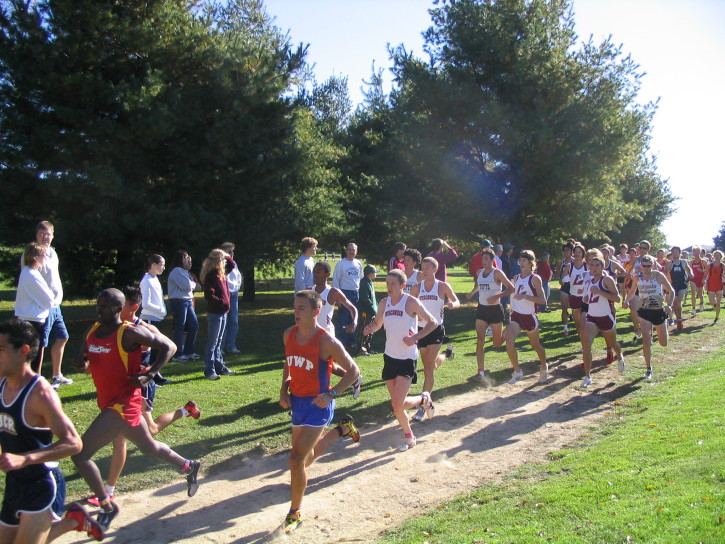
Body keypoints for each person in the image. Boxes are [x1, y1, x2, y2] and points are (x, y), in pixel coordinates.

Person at [71, 289, 202, 534]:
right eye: (98, 304)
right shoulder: (92, 331)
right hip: (107, 400)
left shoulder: (129, 332)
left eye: (106, 306)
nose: (100, 309)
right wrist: (82, 364)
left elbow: (168, 347)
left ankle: (107, 505)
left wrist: (150, 373)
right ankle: (188, 466)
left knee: (80, 454)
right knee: (149, 446)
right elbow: (87, 361)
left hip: (123, 404)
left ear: (119, 309)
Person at [0, 319, 105, 542]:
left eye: (0, 349)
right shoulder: (2, 383)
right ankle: (75, 520)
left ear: (23, 351)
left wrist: (25, 458)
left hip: (42, 483)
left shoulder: (41, 394)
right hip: (15, 483)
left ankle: (73, 521)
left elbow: (74, 443)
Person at [279, 290, 361, 533]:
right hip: (298, 402)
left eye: (302, 308)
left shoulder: (327, 341)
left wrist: (331, 394)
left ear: (316, 312)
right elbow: (288, 362)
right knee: (306, 457)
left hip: (319, 405)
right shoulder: (288, 335)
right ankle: (343, 429)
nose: (296, 312)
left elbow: (354, 371)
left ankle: (294, 513)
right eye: (295, 307)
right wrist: (283, 390)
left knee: (296, 460)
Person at [362, 270, 438, 451]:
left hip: (406, 358)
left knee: (397, 404)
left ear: (402, 286)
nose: (389, 287)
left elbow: (433, 322)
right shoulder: (383, 303)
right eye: (387, 284)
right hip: (389, 357)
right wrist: (369, 329)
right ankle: (414, 424)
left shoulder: (411, 302)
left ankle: (420, 408)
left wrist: (415, 338)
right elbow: (378, 324)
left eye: (392, 284)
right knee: (398, 405)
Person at [20, 221, 73, 389]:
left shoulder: (52, 253)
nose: (45, 237)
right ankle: (38, 378)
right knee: (41, 343)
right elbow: (33, 283)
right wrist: (48, 300)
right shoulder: (31, 255)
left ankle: (57, 375)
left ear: (52, 235)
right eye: (42, 234)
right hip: (43, 306)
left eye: (48, 234)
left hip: (55, 306)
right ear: (36, 235)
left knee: (63, 337)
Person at [410, 257, 460, 421]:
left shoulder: (442, 286)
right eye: (422, 268)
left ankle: (423, 405)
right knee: (429, 365)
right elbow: (409, 307)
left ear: (434, 269)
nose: (423, 271)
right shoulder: (417, 288)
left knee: (428, 369)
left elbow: (456, 300)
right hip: (420, 331)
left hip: (436, 330)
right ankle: (447, 353)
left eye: (426, 268)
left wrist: (453, 305)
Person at [312, 261, 362, 398]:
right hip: (312, 333)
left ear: (327, 274)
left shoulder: (333, 292)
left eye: (318, 272)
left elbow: (352, 308)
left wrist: (354, 323)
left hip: (326, 334)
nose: (315, 274)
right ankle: (355, 378)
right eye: (314, 271)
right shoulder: (310, 290)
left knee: (322, 365)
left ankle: (320, 394)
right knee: (329, 366)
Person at [466, 248, 515, 382]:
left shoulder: (497, 273)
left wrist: (497, 296)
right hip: (482, 310)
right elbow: (480, 285)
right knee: (480, 340)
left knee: (497, 344)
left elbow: (511, 288)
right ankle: (480, 372)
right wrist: (472, 293)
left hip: (495, 310)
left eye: (487, 259)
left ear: (493, 260)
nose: (484, 261)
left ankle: (510, 332)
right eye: (483, 259)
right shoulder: (480, 272)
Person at [580, 251, 625, 388]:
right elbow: (587, 298)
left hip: (606, 317)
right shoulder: (589, 281)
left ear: (602, 267)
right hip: (592, 317)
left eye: (597, 265)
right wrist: (586, 298)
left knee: (612, 344)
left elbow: (617, 298)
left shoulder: (607, 280)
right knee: (586, 344)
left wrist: (600, 292)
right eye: (592, 265)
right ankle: (587, 376)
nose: (594, 268)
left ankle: (620, 355)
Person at [626, 255, 674, 380]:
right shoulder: (637, 277)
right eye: (644, 266)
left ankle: (665, 327)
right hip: (644, 312)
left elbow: (671, 291)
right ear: (641, 266)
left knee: (663, 343)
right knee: (646, 340)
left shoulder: (658, 275)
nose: (646, 268)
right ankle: (648, 368)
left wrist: (670, 305)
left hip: (658, 311)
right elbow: (632, 291)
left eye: (649, 266)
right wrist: (627, 300)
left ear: (653, 265)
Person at [505, 251, 548, 384]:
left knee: (535, 345)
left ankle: (544, 366)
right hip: (516, 316)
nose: (521, 263)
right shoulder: (516, 278)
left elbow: (542, 300)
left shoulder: (535, 278)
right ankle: (517, 371)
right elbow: (512, 293)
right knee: (509, 341)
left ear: (531, 263)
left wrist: (525, 297)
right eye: (520, 260)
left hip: (529, 316)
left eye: (524, 260)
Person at [14, 242, 56, 376]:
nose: (46, 258)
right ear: (35, 257)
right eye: (44, 255)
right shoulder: (31, 275)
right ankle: (29, 387)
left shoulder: (29, 273)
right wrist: (50, 297)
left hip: (30, 319)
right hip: (33, 321)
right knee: (32, 358)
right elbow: (49, 301)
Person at [200, 249, 234, 380]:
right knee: (212, 342)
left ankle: (220, 366)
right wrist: (221, 303)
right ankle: (210, 370)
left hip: (223, 312)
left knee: (219, 341)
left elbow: (232, 265)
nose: (225, 262)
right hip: (216, 313)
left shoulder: (222, 273)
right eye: (222, 260)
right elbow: (209, 295)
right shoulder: (211, 276)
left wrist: (226, 255)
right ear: (216, 262)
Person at [139, 254, 171, 386]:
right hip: (150, 319)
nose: (163, 267)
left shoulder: (154, 279)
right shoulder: (147, 280)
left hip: (157, 318)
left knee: (157, 349)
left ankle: (155, 375)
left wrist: (161, 310)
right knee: (151, 350)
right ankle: (149, 378)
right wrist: (160, 309)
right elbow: (145, 304)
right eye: (161, 265)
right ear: (153, 265)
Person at [167, 250, 201, 361]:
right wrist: (192, 284)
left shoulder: (184, 272)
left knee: (193, 325)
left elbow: (194, 286)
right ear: (181, 259)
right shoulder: (177, 271)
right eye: (186, 257)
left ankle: (189, 351)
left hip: (187, 300)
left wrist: (192, 284)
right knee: (180, 327)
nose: (188, 260)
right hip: (179, 301)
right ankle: (177, 354)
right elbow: (187, 286)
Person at [331, 242, 363, 350]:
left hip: (355, 293)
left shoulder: (358, 263)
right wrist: (338, 298)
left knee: (353, 318)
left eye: (353, 250)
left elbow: (360, 278)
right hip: (344, 293)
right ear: (346, 251)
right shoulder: (341, 264)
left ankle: (352, 341)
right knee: (343, 319)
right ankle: (342, 342)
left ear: (356, 251)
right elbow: (336, 281)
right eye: (349, 249)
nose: (351, 251)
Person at [564, 243, 588, 348]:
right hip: (573, 296)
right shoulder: (570, 266)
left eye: (580, 252)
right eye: (576, 252)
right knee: (577, 323)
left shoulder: (587, 265)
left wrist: (584, 289)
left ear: (583, 254)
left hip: (585, 297)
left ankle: (587, 343)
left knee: (585, 323)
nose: (577, 254)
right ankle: (583, 344)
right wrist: (565, 279)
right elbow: (562, 280)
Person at [220, 242, 243, 354]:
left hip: (234, 294)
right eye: (229, 252)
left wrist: (237, 287)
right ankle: (221, 347)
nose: (232, 253)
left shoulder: (234, 264)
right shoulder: (221, 264)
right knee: (224, 320)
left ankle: (231, 346)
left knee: (233, 321)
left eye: (232, 251)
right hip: (225, 293)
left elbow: (238, 277)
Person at [668, 246, 692, 331]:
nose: (675, 253)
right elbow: (665, 273)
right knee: (675, 304)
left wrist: (691, 275)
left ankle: (680, 318)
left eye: (676, 251)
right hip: (673, 285)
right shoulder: (670, 263)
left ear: (679, 253)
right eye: (673, 252)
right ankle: (678, 319)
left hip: (682, 284)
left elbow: (689, 270)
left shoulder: (683, 262)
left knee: (678, 302)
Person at [357, 265, 378, 355]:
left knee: (370, 330)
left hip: (372, 311)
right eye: (375, 272)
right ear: (370, 273)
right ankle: (361, 349)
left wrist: (376, 308)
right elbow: (365, 298)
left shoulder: (370, 282)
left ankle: (368, 347)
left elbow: (373, 298)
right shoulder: (364, 282)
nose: (376, 274)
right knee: (364, 329)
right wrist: (371, 309)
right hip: (366, 311)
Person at [556, 241, 574, 336]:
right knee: (564, 308)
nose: (566, 252)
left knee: (575, 308)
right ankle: (565, 328)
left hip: (574, 286)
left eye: (568, 250)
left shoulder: (575, 261)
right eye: (564, 250)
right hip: (565, 286)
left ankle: (578, 325)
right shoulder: (561, 263)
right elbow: (557, 274)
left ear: (572, 251)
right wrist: (560, 279)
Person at [703, 250, 724, 323]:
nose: (717, 257)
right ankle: (715, 306)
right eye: (715, 255)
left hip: (719, 285)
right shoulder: (710, 265)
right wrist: (704, 280)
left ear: (721, 257)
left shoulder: (722, 265)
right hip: (711, 285)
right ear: (713, 256)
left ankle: (717, 317)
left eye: (718, 255)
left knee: (718, 302)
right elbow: (705, 274)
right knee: (711, 301)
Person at [689, 247, 707, 313]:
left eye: (697, 251)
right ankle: (693, 308)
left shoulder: (703, 261)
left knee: (700, 293)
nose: (696, 253)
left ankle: (701, 303)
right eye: (694, 251)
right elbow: (689, 270)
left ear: (700, 252)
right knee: (693, 293)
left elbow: (707, 271)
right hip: (693, 279)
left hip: (701, 279)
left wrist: (702, 271)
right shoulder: (691, 262)